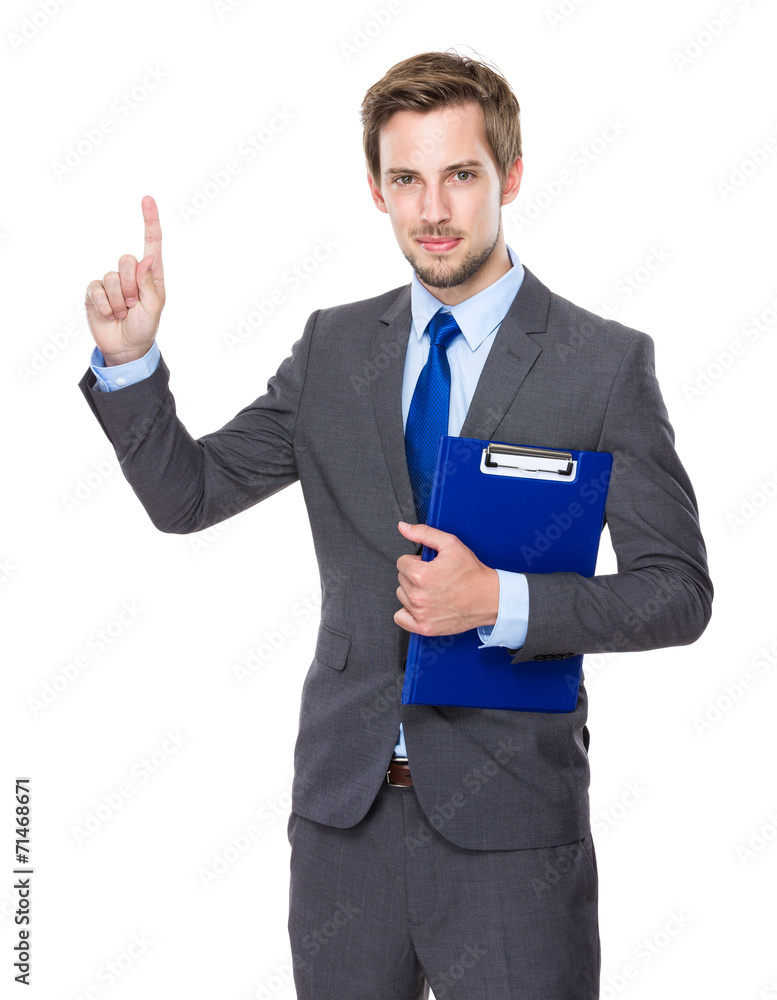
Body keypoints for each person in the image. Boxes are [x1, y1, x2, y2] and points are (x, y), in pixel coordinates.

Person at [78, 49, 712, 1000]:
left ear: (511, 175)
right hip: (345, 826)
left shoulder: (603, 363)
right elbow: (190, 495)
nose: (433, 210)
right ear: (375, 190)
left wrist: (500, 600)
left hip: (512, 835)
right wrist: (130, 367)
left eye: (460, 175)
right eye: (405, 179)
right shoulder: (334, 346)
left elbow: (677, 594)